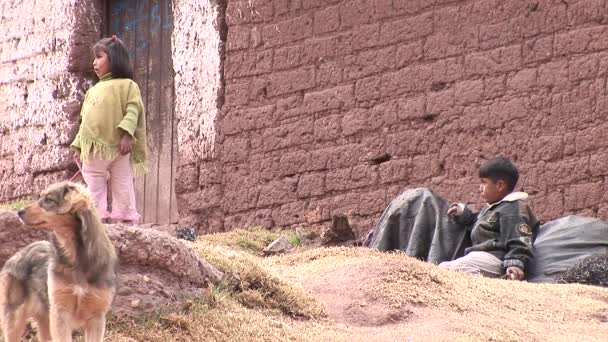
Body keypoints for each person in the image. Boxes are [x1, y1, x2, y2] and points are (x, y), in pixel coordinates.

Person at [70, 35, 147, 224]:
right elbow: (85, 121)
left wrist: (127, 135)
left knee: (123, 185)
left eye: (99, 57)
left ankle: (126, 224)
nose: (94, 62)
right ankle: (97, 224)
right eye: (94, 58)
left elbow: (133, 110)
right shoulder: (92, 91)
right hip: (93, 150)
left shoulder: (128, 86)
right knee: (94, 187)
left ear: (114, 59)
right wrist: (79, 146)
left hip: (119, 149)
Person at [438, 157, 539, 280]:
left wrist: (515, 264)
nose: (480, 188)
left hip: (497, 259)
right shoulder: (494, 207)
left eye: (484, 182)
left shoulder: (512, 208)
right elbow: (480, 224)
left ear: (500, 186)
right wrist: (463, 214)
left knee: (458, 269)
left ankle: (495, 287)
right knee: (442, 268)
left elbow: (520, 239)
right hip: (478, 257)